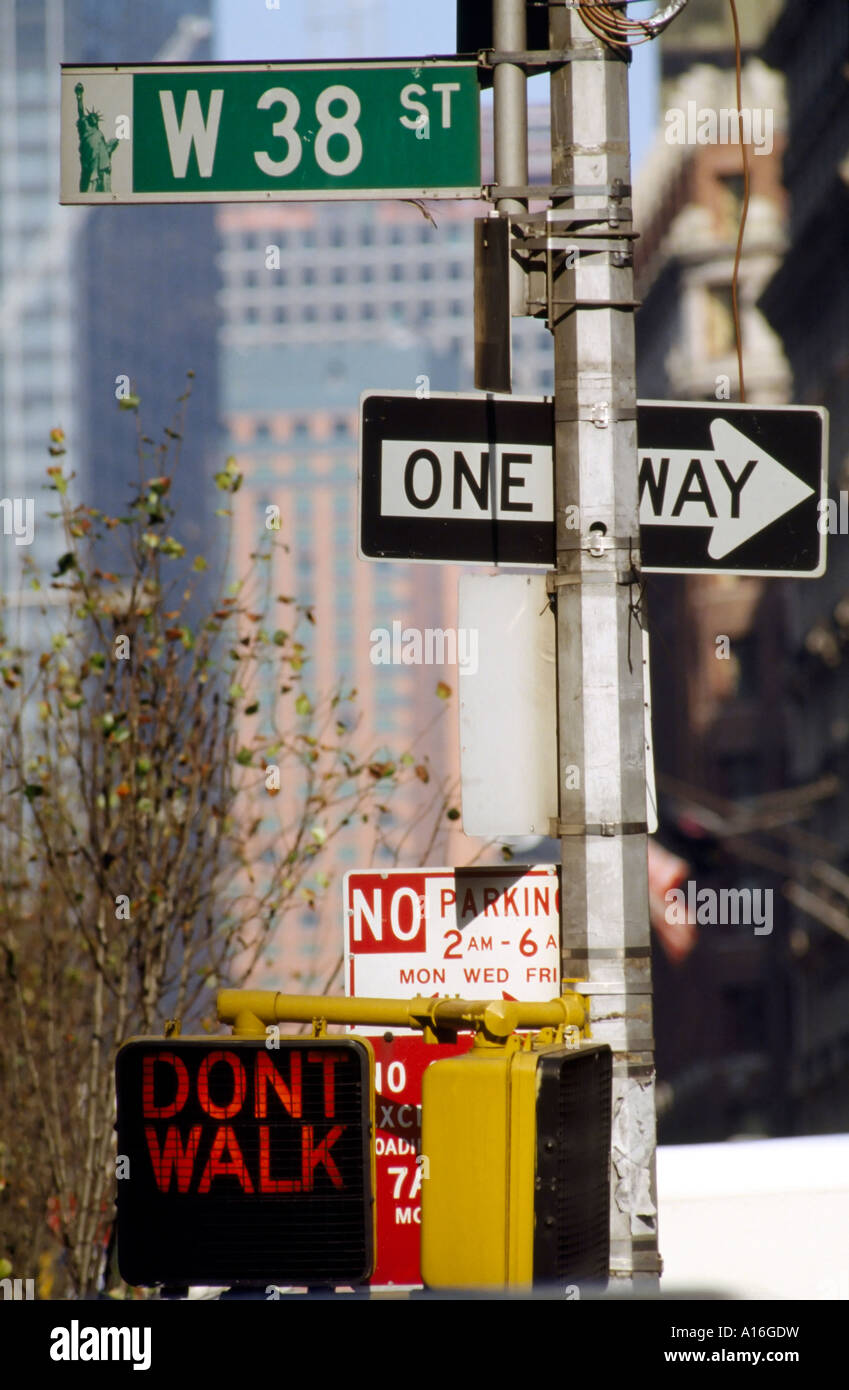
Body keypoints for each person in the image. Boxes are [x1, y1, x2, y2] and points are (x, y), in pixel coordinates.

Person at [75, 82, 119, 193]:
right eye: (92, 117)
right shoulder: (85, 126)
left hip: (102, 164)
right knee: (91, 179)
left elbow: (104, 149)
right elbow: (80, 112)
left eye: (95, 117)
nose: (94, 118)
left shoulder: (99, 133)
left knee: (102, 182)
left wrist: (111, 146)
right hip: (89, 157)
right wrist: (79, 97)